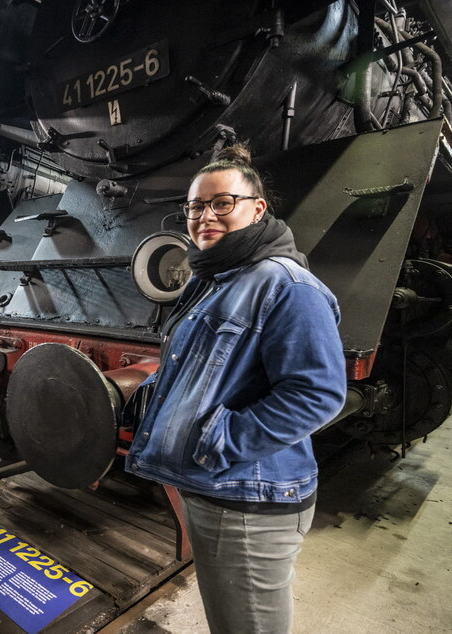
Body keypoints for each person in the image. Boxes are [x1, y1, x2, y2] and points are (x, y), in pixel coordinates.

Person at [124, 145, 347, 633]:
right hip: (217, 487)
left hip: (249, 499)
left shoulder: (286, 284)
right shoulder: (219, 278)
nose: (205, 216)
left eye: (222, 203)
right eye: (196, 206)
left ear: (257, 208)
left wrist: (216, 441)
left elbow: (318, 394)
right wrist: (148, 404)